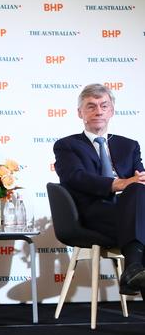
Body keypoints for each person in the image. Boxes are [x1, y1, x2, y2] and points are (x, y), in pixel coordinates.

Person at [54, 83, 145, 297]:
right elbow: (75, 178)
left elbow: (139, 178)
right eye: (91, 106)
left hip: (128, 210)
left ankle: (133, 270)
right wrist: (118, 184)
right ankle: (132, 267)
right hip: (92, 212)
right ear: (80, 113)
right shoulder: (67, 145)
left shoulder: (129, 145)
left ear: (111, 111)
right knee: (135, 193)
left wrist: (134, 182)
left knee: (137, 191)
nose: (98, 111)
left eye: (104, 106)